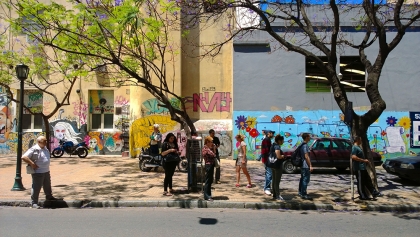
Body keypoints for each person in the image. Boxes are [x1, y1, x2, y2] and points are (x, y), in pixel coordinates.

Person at [21, 136, 61, 209]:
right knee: (36, 187)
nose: (46, 142)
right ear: (39, 142)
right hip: (38, 172)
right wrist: (32, 163)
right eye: (44, 141)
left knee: (47, 185)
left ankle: (49, 197)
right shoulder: (34, 149)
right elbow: (24, 157)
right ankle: (34, 202)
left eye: (46, 141)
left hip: (46, 170)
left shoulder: (45, 148)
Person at [351, 136, 383, 200]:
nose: (361, 141)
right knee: (360, 182)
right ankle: (362, 195)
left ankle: (374, 192)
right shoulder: (354, 147)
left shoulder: (358, 147)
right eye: (360, 140)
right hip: (359, 168)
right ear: (357, 140)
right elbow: (353, 157)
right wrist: (364, 160)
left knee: (367, 180)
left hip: (363, 167)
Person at [269, 135, 285, 201]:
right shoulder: (277, 146)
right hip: (277, 165)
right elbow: (278, 156)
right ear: (279, 140)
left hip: (272, 164)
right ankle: (278, 195)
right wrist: (282, 156)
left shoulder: (273, 145)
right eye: (282, 140)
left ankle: (275, 194)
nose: (283, 141)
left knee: (274, 180)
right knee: (277, 181)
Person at [298, 133, 313, 200]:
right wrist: (310, 165)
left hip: (302, 164)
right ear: (306, 137)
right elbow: (306, 156)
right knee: (305, 179)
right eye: (309, 136)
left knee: (302, 178)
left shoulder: (301, 144)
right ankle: (303, 194)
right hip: (305, 165)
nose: (310, 137)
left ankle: (300, 192)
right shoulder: (305, 146)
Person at [202, 136, 216, 201]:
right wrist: (213, 149)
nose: (212, 143)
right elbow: (213, 155)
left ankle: (209, 195)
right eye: (211, 142)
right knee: (208, 181)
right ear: (207, 142)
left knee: (210, 180)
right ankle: (207, 196)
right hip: (208, 165)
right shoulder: (205, 148)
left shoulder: (209, 148)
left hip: (211, 165)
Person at [261, 130, 275, 195]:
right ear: (268, 133)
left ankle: (266, 188)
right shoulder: (267, 140)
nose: (273, 134)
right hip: (267, 160)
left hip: (266, 159)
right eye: (272, 133)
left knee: (268, 174)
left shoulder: (267, 139)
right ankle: (267, 189)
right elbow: (267, 151)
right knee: (269, 174)